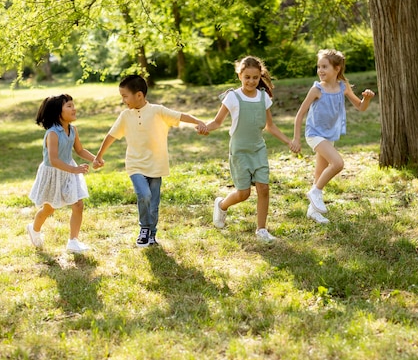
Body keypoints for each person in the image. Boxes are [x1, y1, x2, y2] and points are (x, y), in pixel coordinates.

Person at [93, 75, 208, 247]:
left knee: (153, 204)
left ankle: (152, 234)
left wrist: (197, 121)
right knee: (144, 195)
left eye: (125, 96)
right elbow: (111, 135)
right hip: (135, 164)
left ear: (139, 95)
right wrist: (99, 155)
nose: (123, 100)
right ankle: (144, 228)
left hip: (156, 164)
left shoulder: (157, 111)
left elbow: (180, 115)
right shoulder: (125, 115)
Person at [204, 56, 299, 242]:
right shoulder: (233, 97)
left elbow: (270, 126)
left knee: (263, 188)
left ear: (260, 76)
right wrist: (205, 128)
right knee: (243, 193)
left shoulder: (264, 97)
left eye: (255, 78)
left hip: (258, 149)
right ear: (239, 75)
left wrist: (288, 141)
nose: (251, 81)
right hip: (239, 152)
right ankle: (222, 205)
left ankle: (261, 230)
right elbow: (217, 121)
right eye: (247, 77)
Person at [292, 49, 375, 224]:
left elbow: (361, 107)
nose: (320, 70)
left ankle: (313, 211)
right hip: (314, 134)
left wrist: (366, 98)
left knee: (320, 173)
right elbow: (300, 114)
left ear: (337, 69)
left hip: (330, 136)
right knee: (337, 164)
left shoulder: (342, 87)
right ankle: (315, 192)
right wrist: (296, 139)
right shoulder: (316, 89)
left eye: (324, 67)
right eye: (318, 67)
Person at [27, 94, 98, 253]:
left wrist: (95, 159)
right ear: (58, 112)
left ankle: (73, 242)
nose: (74, 109)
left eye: (73, 105)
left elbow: (79, 150)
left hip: (69, 171)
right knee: (49, 209)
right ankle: (34, 229)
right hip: (53, 173)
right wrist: (74, 169)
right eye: (69, 106)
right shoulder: (52, 133)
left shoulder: (73, 130)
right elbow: (53, 160)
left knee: (78, 205)